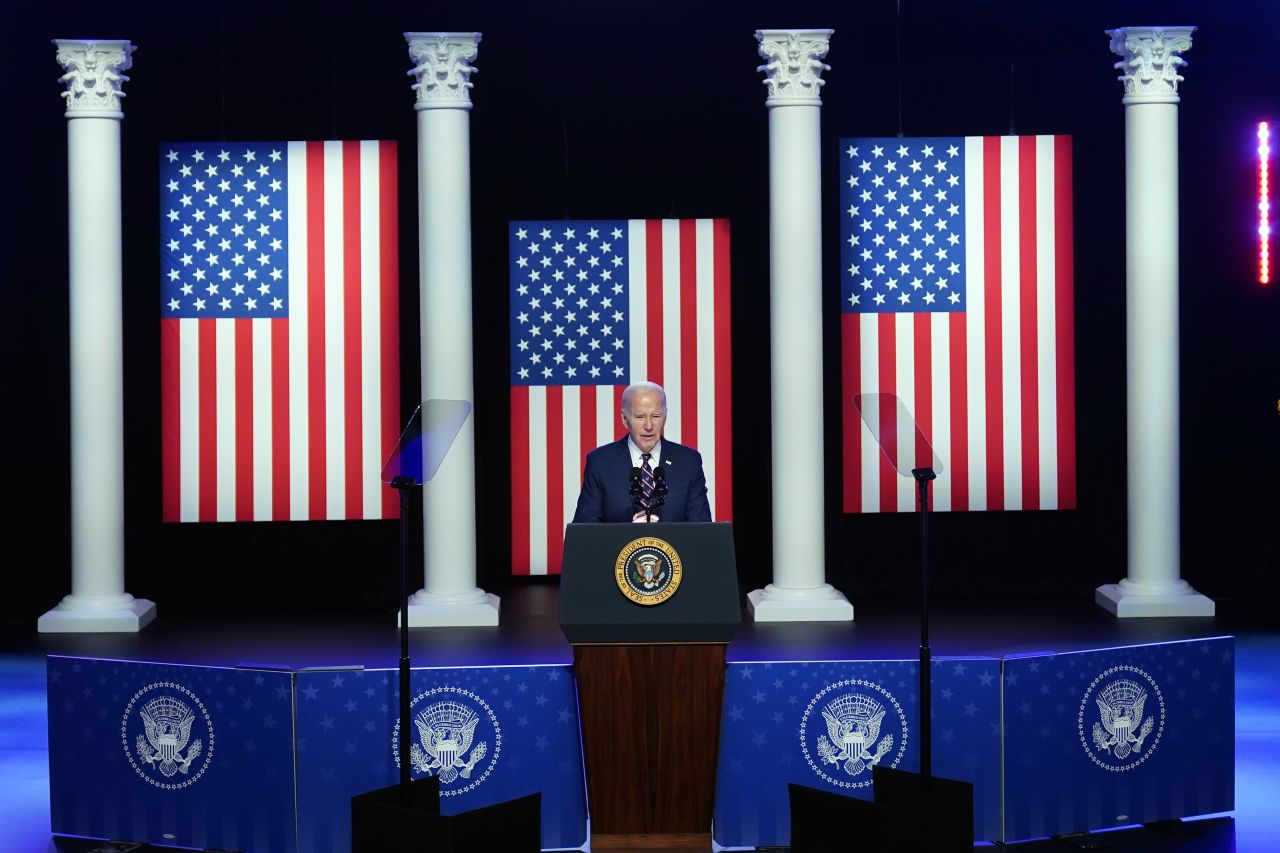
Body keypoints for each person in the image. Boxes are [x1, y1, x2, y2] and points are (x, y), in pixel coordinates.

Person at [571, 381, 712, 524]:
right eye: (640, 417)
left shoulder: (689, 462)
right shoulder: (600, 463)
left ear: (665, 416)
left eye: (656, 416)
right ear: (625, 419)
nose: (649, 426)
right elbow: (585, 534)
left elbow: (702, 531)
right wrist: (629, 533)